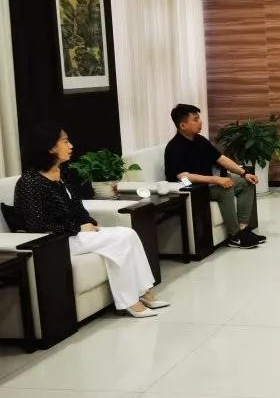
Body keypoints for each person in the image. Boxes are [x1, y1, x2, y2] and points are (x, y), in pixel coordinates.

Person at [14, 125, 169, 318]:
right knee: (120, 239)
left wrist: (90, 223)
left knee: (129, 234)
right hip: (57, 241)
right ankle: (130, 302)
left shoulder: (62, 173)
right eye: (65, 141)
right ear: (50, 147)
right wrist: (78, 228)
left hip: (75, 234)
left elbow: (77, 206)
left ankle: (144, 291)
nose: (71, 145)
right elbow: (35, 225)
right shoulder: (29, 182)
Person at [164, 104, 263, 249]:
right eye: (195, 120)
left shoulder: (200, 140)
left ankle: (243, 230)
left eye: (199, 119)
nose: (200, 122)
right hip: (191, 189)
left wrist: (244, 173)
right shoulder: (174, 147)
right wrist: (216, 180)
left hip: (208, 184)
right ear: (183, 125)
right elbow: (183, 176)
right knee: (225, 188)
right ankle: (234, 235)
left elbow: (221, 159)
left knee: (246, 182)